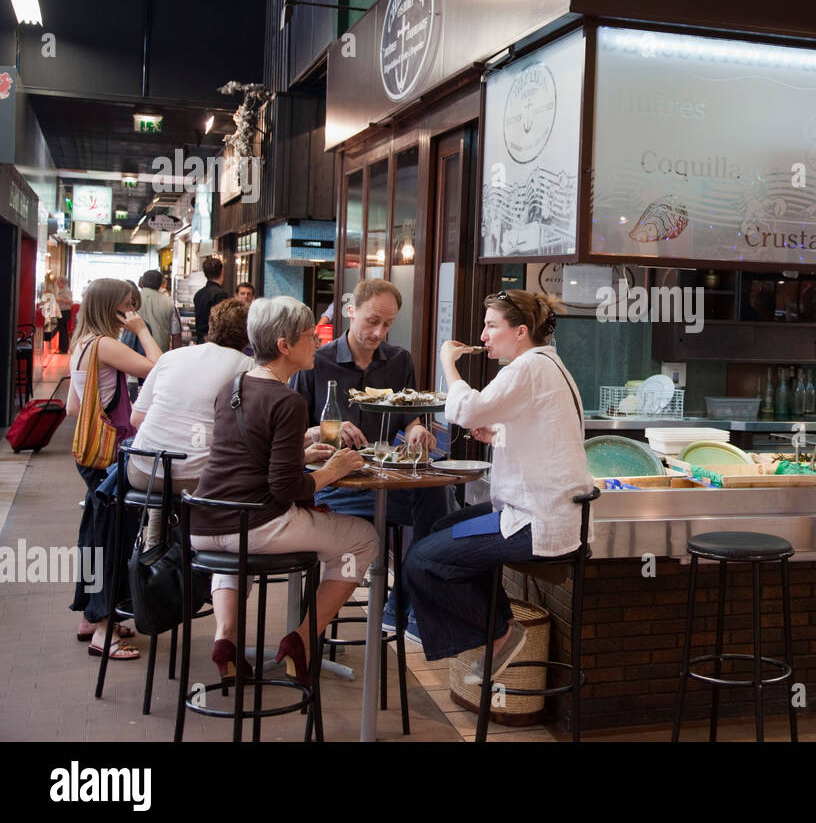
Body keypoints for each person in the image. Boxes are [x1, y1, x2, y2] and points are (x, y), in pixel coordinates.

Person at [403, 290, 590, 685]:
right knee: (440, 529)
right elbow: (544, 434)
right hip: (547, 509)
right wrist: (497, 435)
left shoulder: (526, 368)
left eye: (491, 326)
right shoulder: (550, 366)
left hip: (536, 520)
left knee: (423, 559)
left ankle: (498, 634)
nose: (484, 336)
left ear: (520, 332)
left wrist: (447, 364)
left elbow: (464, 410)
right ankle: (498, 629)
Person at [192, 297, 374, 685]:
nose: (317, 344)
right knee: (362, 540)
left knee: (236, 548)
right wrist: (331, 470)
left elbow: (248, 456)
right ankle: (302, 640)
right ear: (284, 346)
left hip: (205, 523)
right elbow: (286, 486)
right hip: (260, 525)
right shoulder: (288, 400)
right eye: (309, 337)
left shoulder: (233, 387)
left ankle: (225, 639)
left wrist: (301, 453)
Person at [290, 279, 445, 640]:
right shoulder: (315, 362)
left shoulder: (399, 360)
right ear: (350, 310)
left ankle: (405, 604)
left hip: (383, 479)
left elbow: (409, 415)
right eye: (372, 321)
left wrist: (417, 429)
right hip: (333, 486)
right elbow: (292, 439)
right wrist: (326, 430)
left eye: (388, 324)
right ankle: (396, 609)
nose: (379, 332)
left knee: (438, 499)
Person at [65, 278, 164, 660]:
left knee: (95, 534)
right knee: (112, 539)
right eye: (125, 307)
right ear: (110, 308)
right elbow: (156, 370)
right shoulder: (106, 345)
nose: (130, 314)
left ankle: (91, 616)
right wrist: (142, 330)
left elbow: (75, 408)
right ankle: (103, 631)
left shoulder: (82, 343)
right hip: (111, 454)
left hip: (87, 453)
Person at [127, 299, 254, 542]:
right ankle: (203, 552)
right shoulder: (248, 367)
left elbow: (137, 418)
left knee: (166, 466)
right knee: (226, 473)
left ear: (211, 326)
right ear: (248, 334)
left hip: (143, 470)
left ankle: (155, 552)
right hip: (196, 478)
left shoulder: (172, 356)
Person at [137, 269, 180, 351]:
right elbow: (176, 333)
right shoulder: (169, 302)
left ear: (142, 282)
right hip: (160, 352)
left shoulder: (133, 299)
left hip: (135, 351)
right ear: (161, 283)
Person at [192, 256, 228, 343]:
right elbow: (221, 322)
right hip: (213, 341)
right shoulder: (220, 294)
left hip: (200, 339)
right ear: (222, 271)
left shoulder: (198, 294)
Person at [55, 276, 73, 353]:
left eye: (58, 282)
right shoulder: (61, 290)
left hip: (65, 312)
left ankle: (64, 349)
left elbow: (70, 301)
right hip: (61, 311)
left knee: (63, 330)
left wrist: (60, 299)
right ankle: (61, 348)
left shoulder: (66, 291)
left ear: (63, 283)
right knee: (61, 330)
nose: (57, 284)